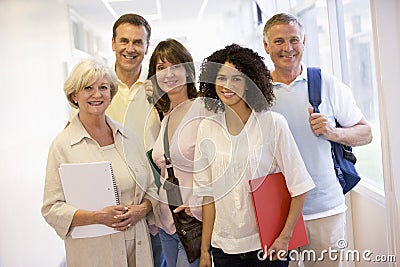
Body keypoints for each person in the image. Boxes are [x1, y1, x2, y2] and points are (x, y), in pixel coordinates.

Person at [262, 13, 373, 267]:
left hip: (325, 209)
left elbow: (366, 133)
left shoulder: (325, 83)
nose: (287, 48)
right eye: (278, 41)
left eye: (294, 40)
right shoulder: (259, 93)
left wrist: (334, 133)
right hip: (277, 214)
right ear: (266, 46)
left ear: (304, 41)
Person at [193, 44, 315, 267]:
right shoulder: (207, 129)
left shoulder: (273, 124)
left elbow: (300, 187)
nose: (227, 86)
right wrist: (204, 251)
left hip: (267, 246)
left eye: (236, 79)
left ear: (250, 83)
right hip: (223, 249)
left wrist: (285, 238)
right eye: (221, 78)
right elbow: (207, 197)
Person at [41, 58, 158, 267]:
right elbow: (52, 208)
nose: (97, 95)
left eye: (103, 87)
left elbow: (151, 189)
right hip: (94, 253)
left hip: (136, 247)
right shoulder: (62, 146)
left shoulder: (129, 138)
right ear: (74, 95)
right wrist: (97, 217)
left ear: (111, 94)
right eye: (88, 88)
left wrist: (140, 210)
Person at [69, 13, 164, 266]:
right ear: (113, 43)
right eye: (124, 41)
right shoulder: (97, 88)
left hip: (150, 205)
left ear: (146, 47)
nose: (130, 49)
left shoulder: (159, 90)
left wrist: (148, 206)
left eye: (138, 42)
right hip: (104, 211)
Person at [149, 38, 213, 267]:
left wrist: (196, 203)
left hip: (194, 222)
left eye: (175, 66)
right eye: (161, 68)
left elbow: (220, 166)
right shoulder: (166, 116)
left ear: (187, 70)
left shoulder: (205, 108)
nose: (168, 74)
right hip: (167, 222)